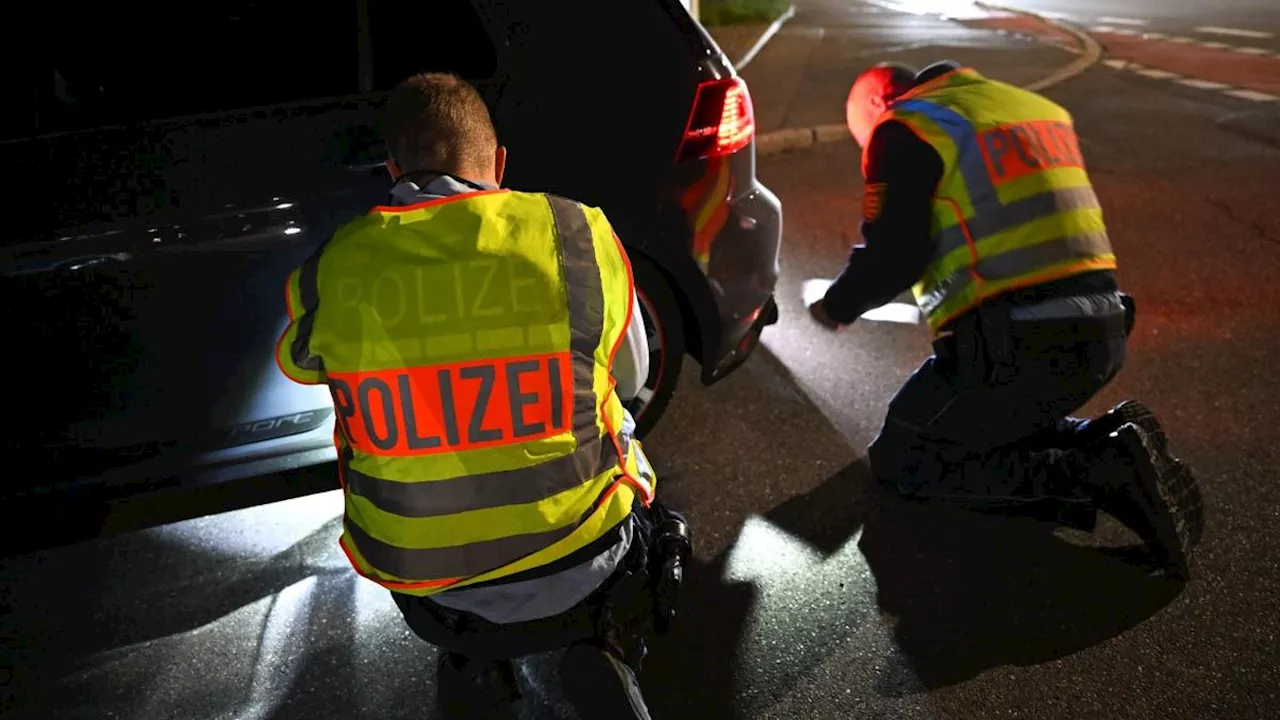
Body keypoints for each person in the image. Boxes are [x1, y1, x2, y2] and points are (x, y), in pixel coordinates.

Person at [275, 72, 691, 719]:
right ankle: (605, 645)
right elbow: (633, 378)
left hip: (428, 589)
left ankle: (475, 663)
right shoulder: (574, 235)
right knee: (633, 464)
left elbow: (307, 365)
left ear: (393, 168)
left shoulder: (339, 265)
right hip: (586, 564)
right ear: (498, 163)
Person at [807, 60, 1204, 580]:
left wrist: (835, 307)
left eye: (864, 135)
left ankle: (1090, 472)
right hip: (1101, 330)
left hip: (1018, 344)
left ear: (881, 103)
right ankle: (1108, 436)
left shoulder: (905, 126)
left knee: (904, 455)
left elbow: (895, 251)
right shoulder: (1029, 108)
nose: (870, 149)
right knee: (975, 424)